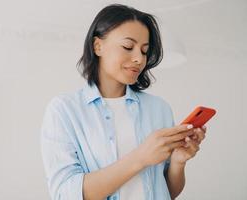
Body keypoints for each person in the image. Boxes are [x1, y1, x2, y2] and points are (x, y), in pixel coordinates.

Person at [41, 4, 206, 200]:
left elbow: (167, 192)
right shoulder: (64, 110)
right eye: (128, 47)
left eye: (144, 51)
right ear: (98, 46)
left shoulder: (159, 108)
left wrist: (179, 162)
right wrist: (141, 157)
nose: (139, 58)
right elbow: (65, 194)